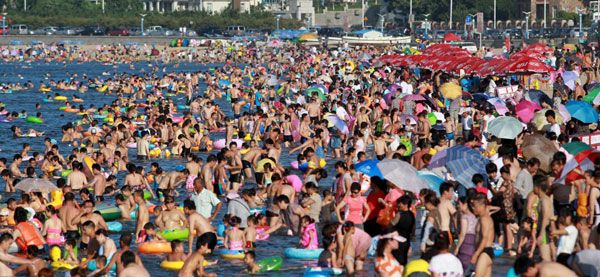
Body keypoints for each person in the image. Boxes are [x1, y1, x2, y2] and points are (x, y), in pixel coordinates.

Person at [470, 192, 495, 277]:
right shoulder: (483, 218)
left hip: (485, 252)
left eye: (475, 206)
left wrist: (476, 254)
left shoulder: (484, 218)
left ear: (482, 206)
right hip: (485, 252)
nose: (473, 209)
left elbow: (484, 238)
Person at [388, 195, 414, 267]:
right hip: (406, 241)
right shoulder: (411, 214)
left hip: (397, 241)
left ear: (405, 205)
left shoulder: (399, 215)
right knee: (404, 261)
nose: (398, 205)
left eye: (400, 204)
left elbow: (390, 225)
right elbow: (413, 228)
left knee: (396, 262)